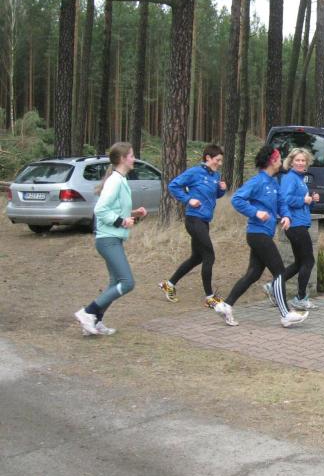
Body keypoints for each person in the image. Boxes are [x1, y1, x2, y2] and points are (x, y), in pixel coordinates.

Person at [224, 146, 308, 328]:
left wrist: (287, 216)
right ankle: (285, 314)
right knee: (279, 272)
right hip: (257, 234)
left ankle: (226, 305)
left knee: (253, 274)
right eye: (279, 158)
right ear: (272, 161)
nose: (281, 161)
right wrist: (255, 212)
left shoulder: (273, 182)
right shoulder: (258, 181)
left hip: (264, 234)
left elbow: (282, 203)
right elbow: (237, 199)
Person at [74, 142, 147, 336]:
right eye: (131, 155)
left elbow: (114, 208)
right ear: (123, 159)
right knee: (127, 283)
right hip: (108, 240)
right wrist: (122, 221)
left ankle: (96, 321)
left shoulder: (120, 179)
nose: (134, 159)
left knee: (115, 283)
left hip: (112, 239)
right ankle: (88, 312)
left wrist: (133, 213)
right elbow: (100, 210)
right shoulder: (115, 181)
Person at [159, 144, 233, 324]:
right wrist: (188, 199)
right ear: (208, 158)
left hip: (204, 221)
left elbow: (213, 195)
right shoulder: (194, 172)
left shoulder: (215, 175)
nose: (219, 163)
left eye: (221, 161)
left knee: (197, 257)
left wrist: (221, 189)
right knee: (209, 255)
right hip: (193, 219)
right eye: (217, 160)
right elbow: (174, 185)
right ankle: (209, 297)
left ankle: (169, 284)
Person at [279, 147, 320, 311]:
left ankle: (273, 286)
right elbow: (285, 199)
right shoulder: (290, 178)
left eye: (303, 160)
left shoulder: (299, 179)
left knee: (299, 263)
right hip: (294, 224)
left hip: (300, 223)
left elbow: (303, 204)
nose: (301, 163)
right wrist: (304, 200)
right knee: (309, 261)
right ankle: (300, 298)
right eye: (297, 160)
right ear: (291, 162)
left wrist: (312, 200)